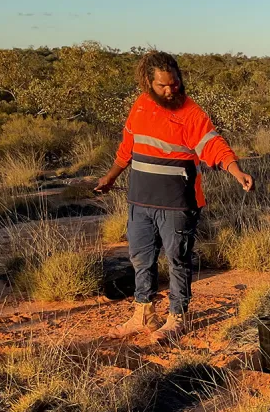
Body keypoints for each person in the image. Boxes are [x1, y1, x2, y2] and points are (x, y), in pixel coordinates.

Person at [95, 50, 253, 342]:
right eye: (162, 86)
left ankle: (177, 317)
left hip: (178, 204)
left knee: (177, 260)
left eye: (175, 84)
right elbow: (127, 147)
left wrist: (236, 171)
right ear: (147, 83)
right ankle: (144, 313)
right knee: (141, 259)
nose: (170, 91)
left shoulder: (191, 113)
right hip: (140, 200)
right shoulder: (140, 106)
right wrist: (110, 177)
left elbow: (214, 146)